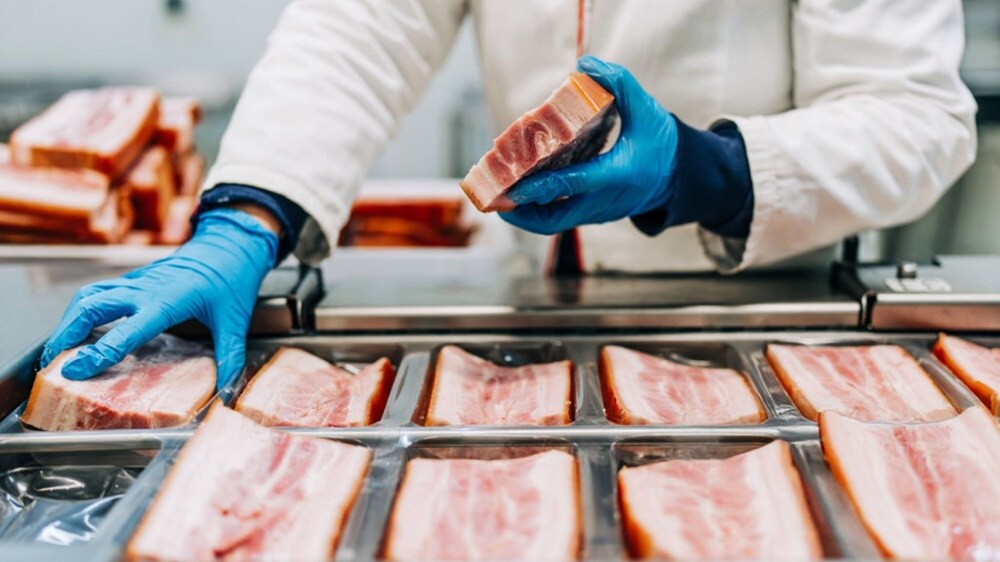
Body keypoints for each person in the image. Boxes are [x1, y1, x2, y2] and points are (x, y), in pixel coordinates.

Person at [41, 0, 976, 388]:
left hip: (770, 307)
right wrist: (246, 217)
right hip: (533, 303)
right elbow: (364, 25)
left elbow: (917, 113)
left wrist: (703, 171)